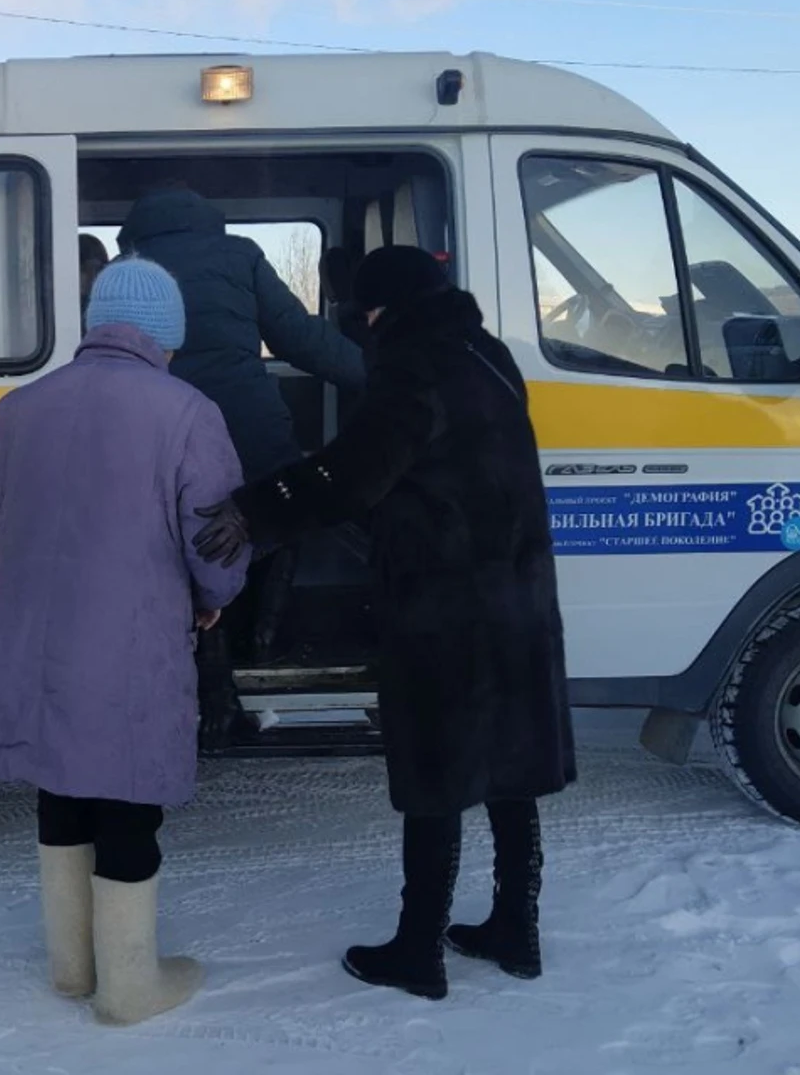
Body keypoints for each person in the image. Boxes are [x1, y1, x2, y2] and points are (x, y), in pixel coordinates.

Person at [191, 245, 578, 1000]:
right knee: (509, 763)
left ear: (385, 307)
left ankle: (417, 949)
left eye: (365, 311)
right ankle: (515, 928)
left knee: (435, 771)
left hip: (445, 603)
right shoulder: (486, 353)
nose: (362, 324)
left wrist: (255, 506)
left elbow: (356, 474)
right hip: (517, 592)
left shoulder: (412, 364)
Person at [0, 256, 250, 1026]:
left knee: (60, 784)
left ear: (95, 326)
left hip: (31, 630)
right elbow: (214, 542)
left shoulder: (19, 406)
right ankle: (127, 987)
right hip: (129, 633)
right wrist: (212, 600)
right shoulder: (187, 411)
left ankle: (71, 967)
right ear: (166, 335)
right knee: (129, 795)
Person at [119, 186, 368, 715]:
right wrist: (380, 378)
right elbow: (299, 338)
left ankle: (211, 678)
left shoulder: (128, 267)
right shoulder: (240, 255)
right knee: (282, 515)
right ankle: (264, 640)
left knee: (187, 547)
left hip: (162, 430)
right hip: (249, 428)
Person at [79, 233, 112, 320]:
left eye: (99, 270)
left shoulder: (108, 310)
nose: (93, 277)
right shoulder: (59, 309)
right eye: (84, 270)